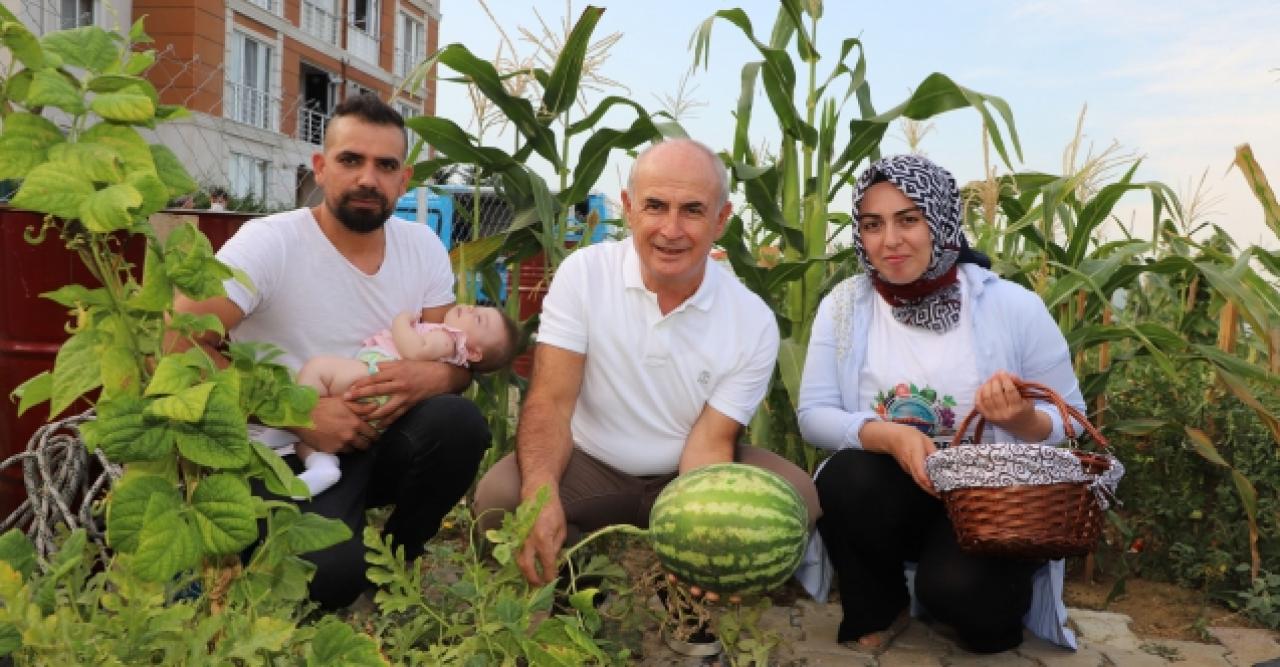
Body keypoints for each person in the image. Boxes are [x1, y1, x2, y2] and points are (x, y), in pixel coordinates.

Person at [472, 138, 821, 658]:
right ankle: (577, 594)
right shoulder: (585, 275)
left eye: (693, 211)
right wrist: (541, 493)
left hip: (683, 471)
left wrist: (703, 543)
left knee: (799, 495)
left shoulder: (750, 320)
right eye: (655, 205)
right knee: (501, 500)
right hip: (590, 462)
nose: (671, 229)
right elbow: (550, 401)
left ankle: (684, 601)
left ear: (722, 218)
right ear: (629, 206)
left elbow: (710, 443)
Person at [169, 94, 491, 609]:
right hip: (285, 449)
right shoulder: (269, 244)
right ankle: (340, 555)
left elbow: (456, 362)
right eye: (351, 160)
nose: (368, 178)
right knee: (324, 579)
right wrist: (296, 412)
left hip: (381, 436)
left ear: (403, 180)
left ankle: (395, 566)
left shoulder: (422, 247)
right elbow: (177, 343)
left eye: (385, 165)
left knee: (459, 424)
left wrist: (429, 380)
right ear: (320, 168)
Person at [794, 154, 1087, 655]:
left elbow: (1072, 420)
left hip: (989, 503)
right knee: (846, 477)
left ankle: (964, 592)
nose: (890, 240)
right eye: (873, 224)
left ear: (942, 221)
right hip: (893, 490)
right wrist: (890, 436)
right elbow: (814, 414)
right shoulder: (845, 305)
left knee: (976, 616)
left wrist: (1022, 419)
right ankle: (880, 606)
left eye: (909, 219)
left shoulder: (1011, 306)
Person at [293, 304, 518, 496]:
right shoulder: (448, 344)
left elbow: (416, 351)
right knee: (311, 427)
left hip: (378, 379)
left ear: (474, 353)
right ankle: (319, 462)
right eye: (475, 307)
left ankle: (317, 454)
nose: (469, 308)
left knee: (317, 370)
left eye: (477, 318)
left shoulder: (448, 338)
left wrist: (400, 322)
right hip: (382, 391)